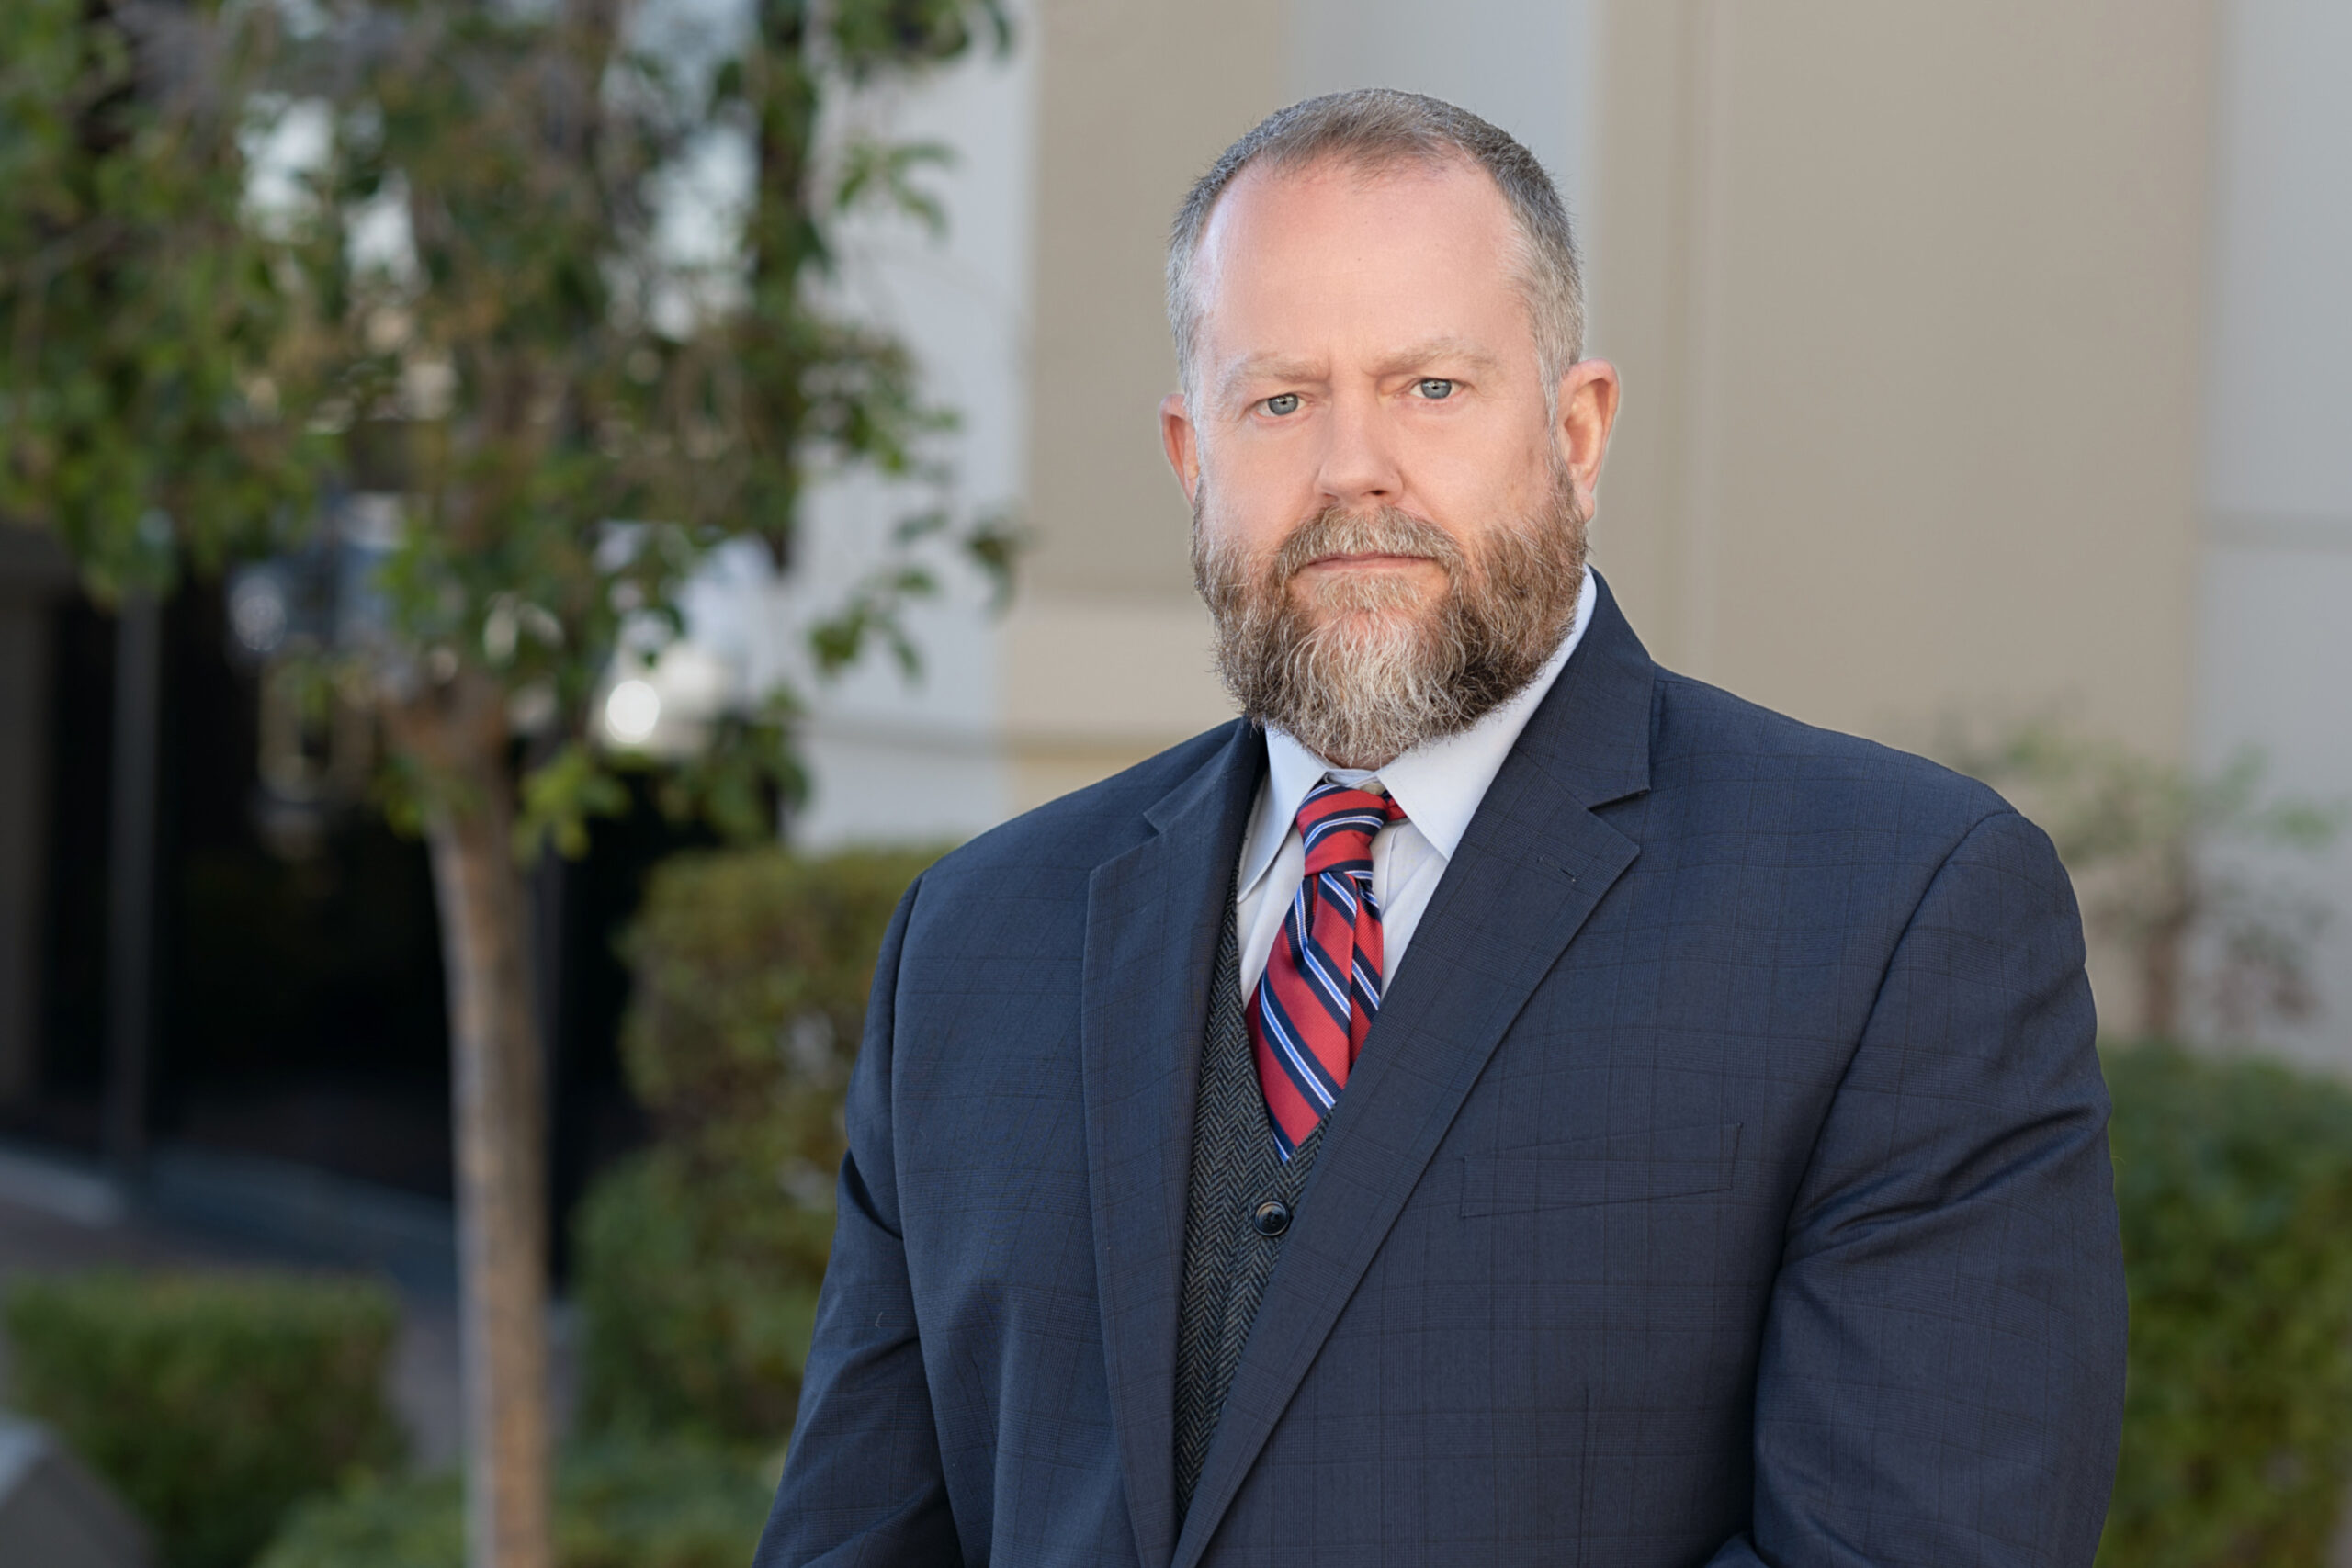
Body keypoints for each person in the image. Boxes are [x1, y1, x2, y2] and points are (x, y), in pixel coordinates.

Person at [757, 88, 2125, 1568]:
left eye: (1430, 386)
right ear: (1192, 458)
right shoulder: (975, 941)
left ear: (1578, 431)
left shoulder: (1894, 916)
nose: (1353, 467)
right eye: (1281, 401)